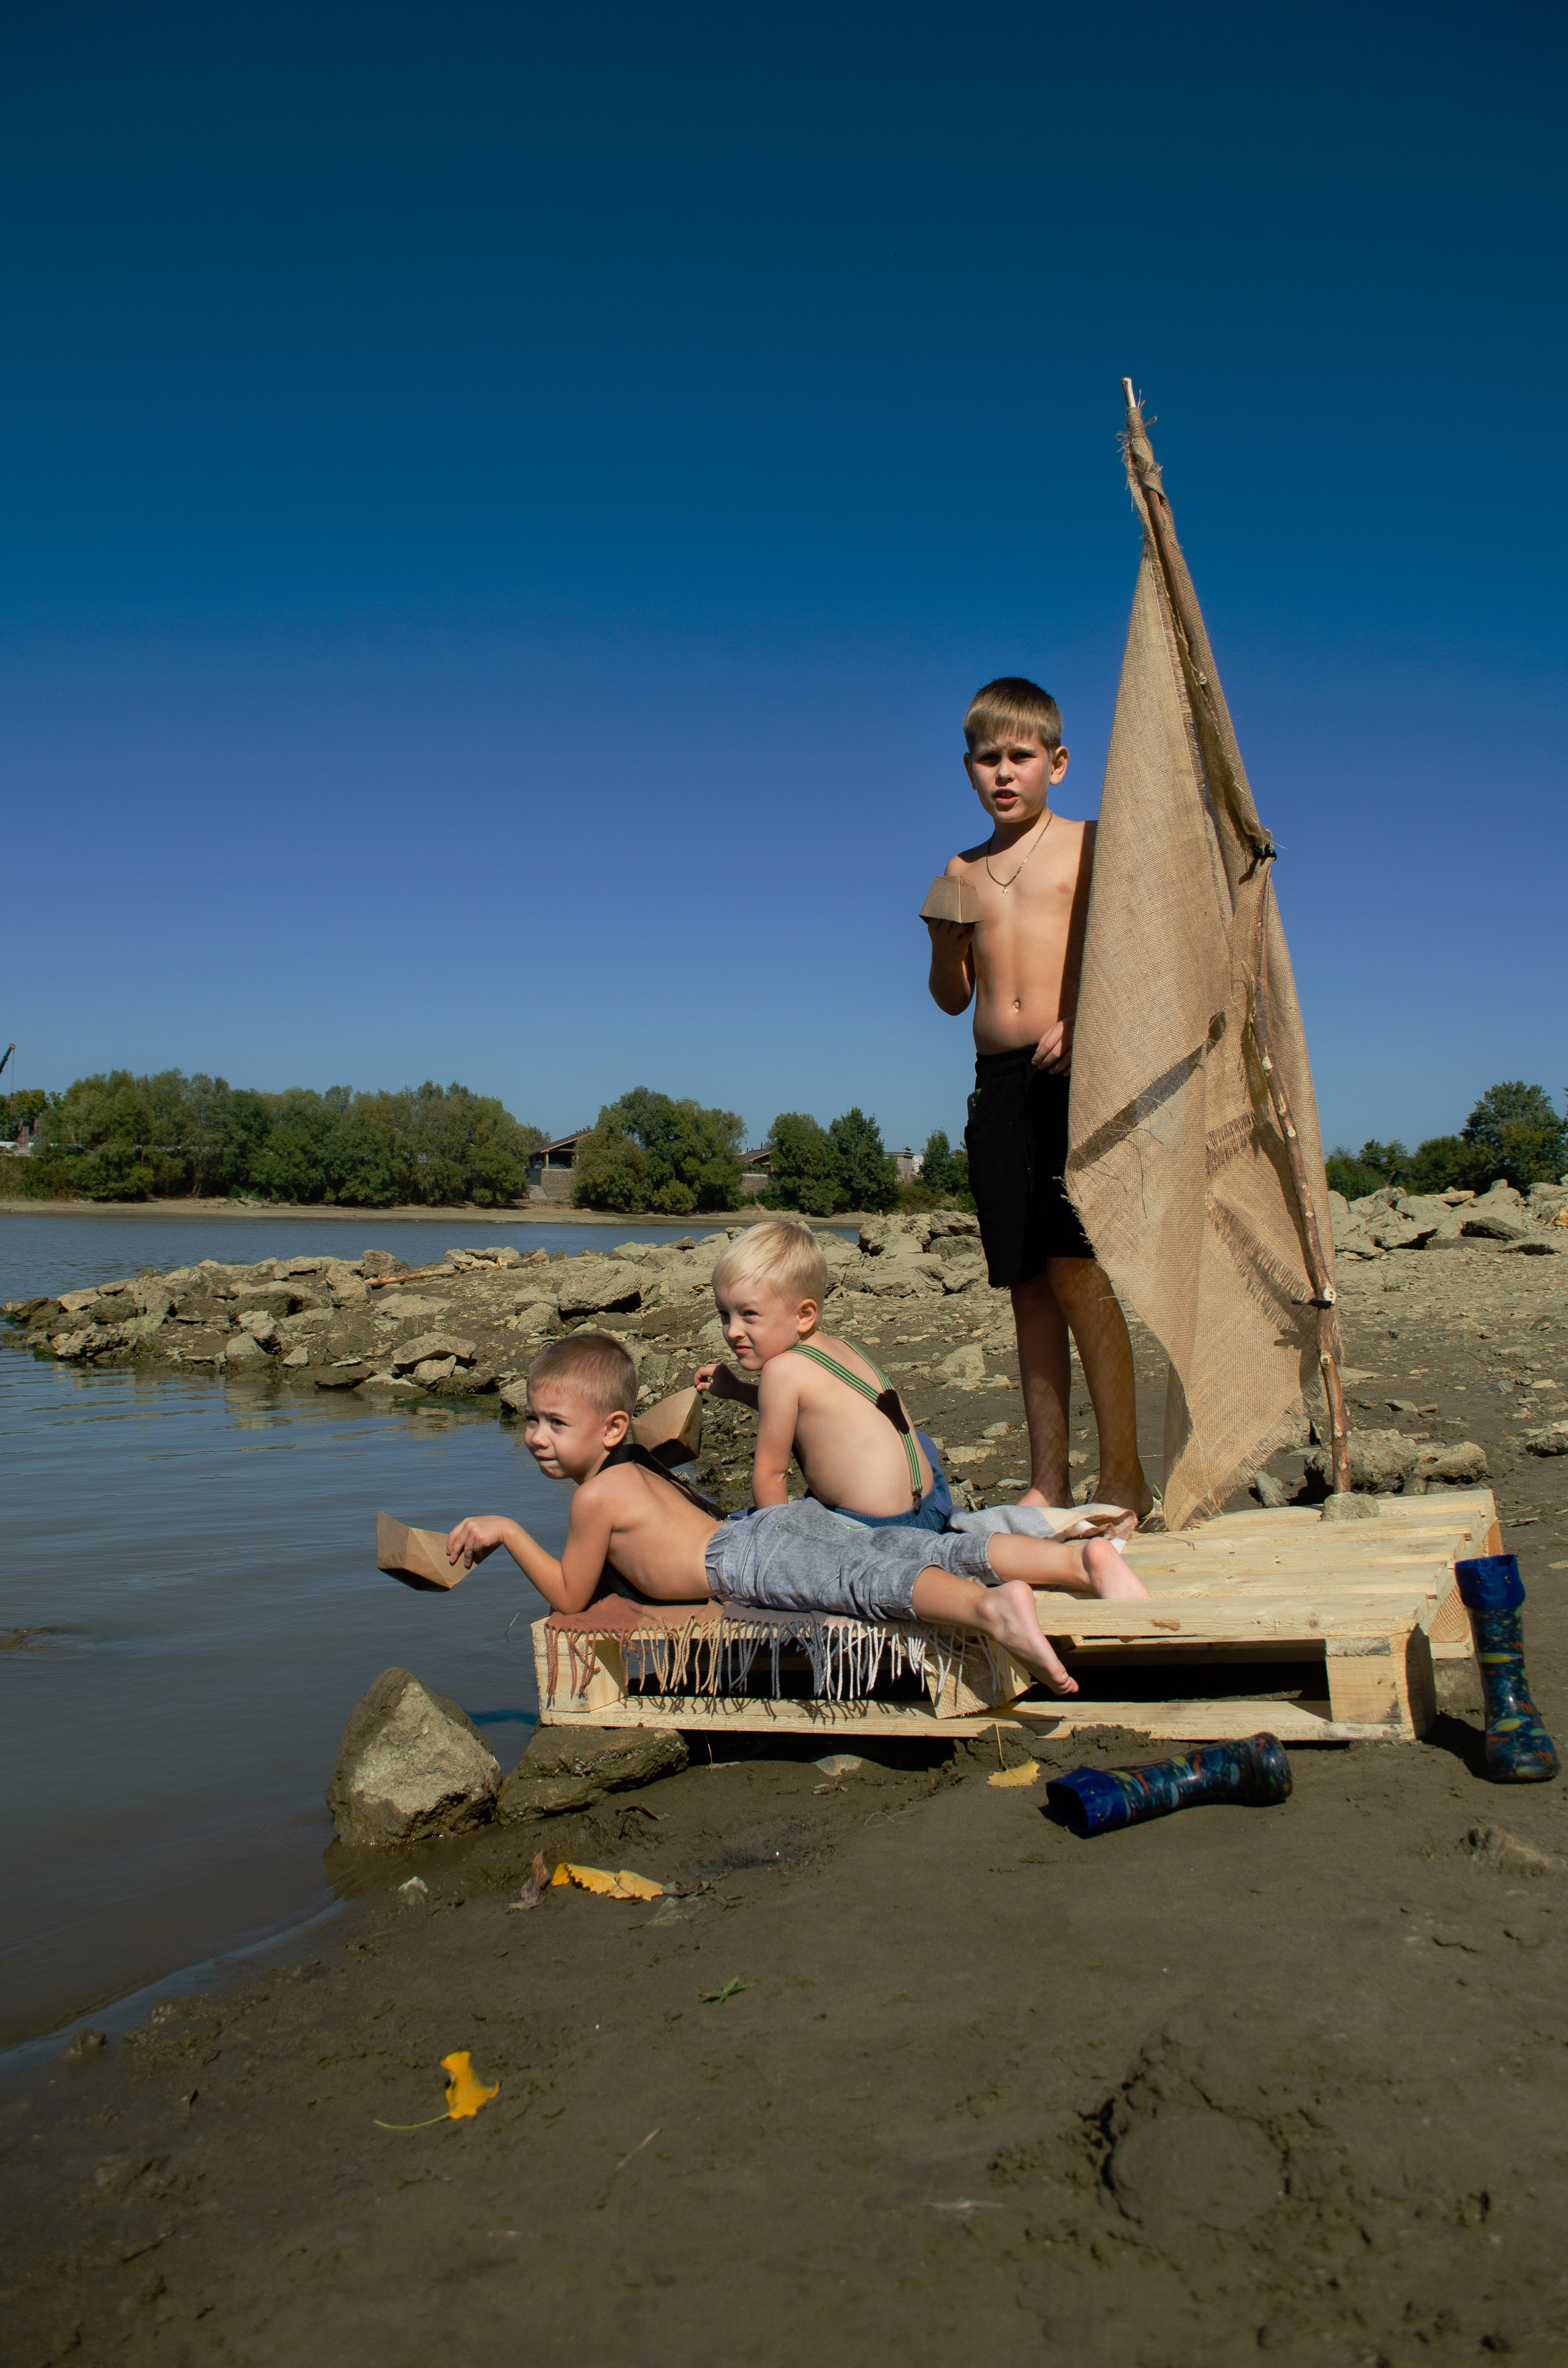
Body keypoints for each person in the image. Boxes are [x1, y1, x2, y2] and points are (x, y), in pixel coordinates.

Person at [445, 1332, 1150, 1700]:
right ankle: (1076, 1562)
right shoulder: (633, 1464)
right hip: (763, 1528)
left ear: (610, 1428)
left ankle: (992, 1611)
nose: (536, 1436)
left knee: (864, 1582)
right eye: (532, 1419)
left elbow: (570, 1596)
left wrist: (508, 1531)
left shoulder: (594, 1496)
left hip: (744, 1558)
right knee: (906, 1551)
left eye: (555, 1423)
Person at [926, 675, 1152, 1520]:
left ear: (1057, 763)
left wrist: (1086, 1018)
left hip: (1074, 1076)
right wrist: (944, 947)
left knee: (1078, 1272)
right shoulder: (960, 870)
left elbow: (1136, 951)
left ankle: (1123, 1478)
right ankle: (1048, 1482)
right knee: (1025, 1283)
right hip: (998, 1083)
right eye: (988, 758)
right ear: (968, 769)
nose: (1004, 772)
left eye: (1021, 756)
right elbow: (952, 998)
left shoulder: (1092, 844)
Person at [692, 1219, 954, 1530]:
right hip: (933, 1505)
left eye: (749, 1314)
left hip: (877, 1529)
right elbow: (802, 1409)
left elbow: (771, 1475)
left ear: (804, 1315)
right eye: (725, 1314)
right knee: (919, 1442)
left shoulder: (781, 1370)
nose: (733, 1331)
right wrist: (738, 1390)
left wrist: (777, 1542)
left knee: (722, 1532)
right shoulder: (843, 1346)